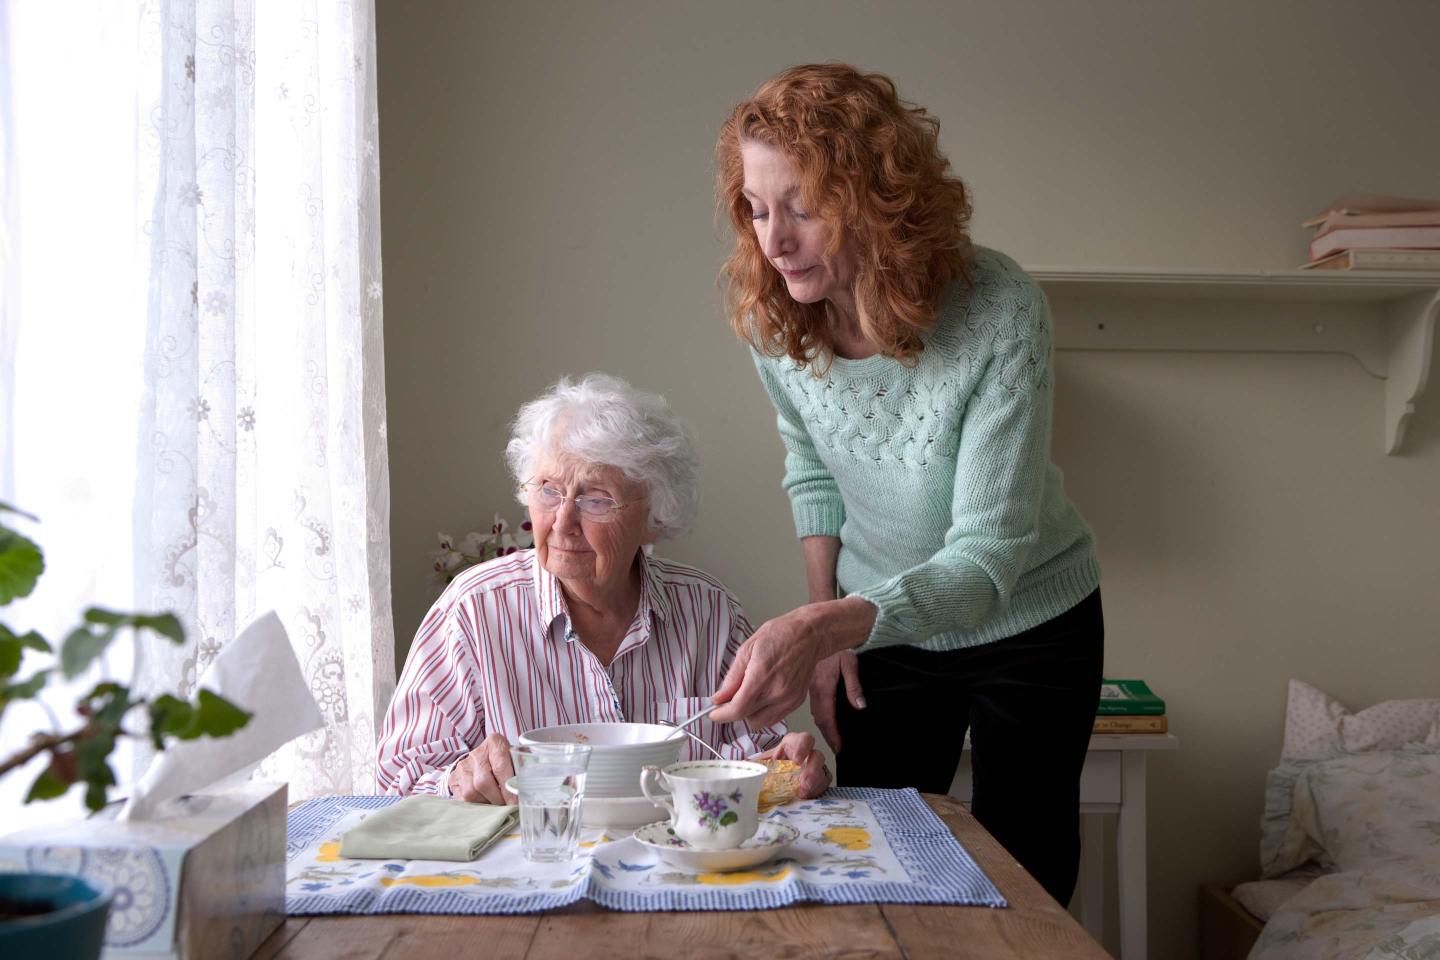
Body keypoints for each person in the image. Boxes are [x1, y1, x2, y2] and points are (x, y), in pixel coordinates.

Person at [706, 64, 1103, 905]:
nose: (773, 242)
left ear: (878, 197)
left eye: (803, 207)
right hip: (877, 626)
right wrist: (832, 632)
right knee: (879, 862)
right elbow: (810, 466)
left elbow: (989, 558)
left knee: (1022, 882)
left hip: (1032, 622)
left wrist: (822, 626)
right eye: (756, 206)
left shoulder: (1000, 308)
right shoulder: (773, 322)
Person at [377, 373, 830, 804]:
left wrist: (785, 768)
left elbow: (752, 760)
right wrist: (458, 778)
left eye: (596, 499)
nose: (563, 522)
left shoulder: (708, 610)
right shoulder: (473, 611)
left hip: (675, 868)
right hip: (537, 869)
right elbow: (398, 774)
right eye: (549, 491)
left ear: (654, 516)